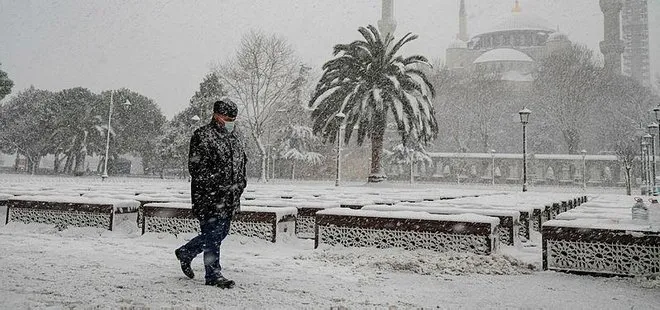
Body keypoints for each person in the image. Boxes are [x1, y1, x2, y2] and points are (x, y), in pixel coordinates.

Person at [175, 98, 248, 289]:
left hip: (230, 198)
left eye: (234, 118)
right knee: (213, 236)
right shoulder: (203, 136)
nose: (231, 120)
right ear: (216, 115)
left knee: (220, 233)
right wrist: (220, 185)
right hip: (209, 197)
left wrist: (240, 184)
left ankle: (186, 252)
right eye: (228, 117)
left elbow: (242, 163)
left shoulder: (235, 138)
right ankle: (213, 274)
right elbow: (197, 168)